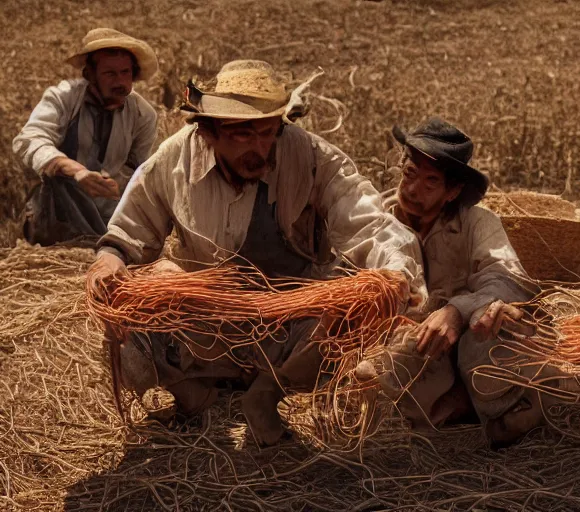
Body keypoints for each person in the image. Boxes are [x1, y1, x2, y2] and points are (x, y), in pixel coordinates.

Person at [84, 60, 429, 445]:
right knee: (125, 322)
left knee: (348, 320)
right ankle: (192, 393)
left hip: (292, 322)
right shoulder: (175, 159)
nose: (259, 147)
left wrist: (396, 273)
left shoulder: (312, 157)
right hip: (206, 319)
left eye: (268, 133)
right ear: (209, 131)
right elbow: (131, 229)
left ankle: (266, 393)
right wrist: (109, 261)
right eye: (243, 134)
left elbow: (371, 223)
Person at [355, 119, 565, 448]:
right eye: (410, 174)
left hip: (472, 344)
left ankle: (481, 404)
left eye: (430, 183)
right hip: (413, 349)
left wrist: (457, 310)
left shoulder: (478, 222)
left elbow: (508, 278)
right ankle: (445, 404)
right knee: (390, 357)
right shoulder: (376, 219)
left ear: (452, 191)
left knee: (500, 326)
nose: (412, 191)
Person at [13, 28, 159, 246]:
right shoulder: (64, 98)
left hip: (109, 212)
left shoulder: (142, 114)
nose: (120, 82)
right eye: (110, 74)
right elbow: (29, 140)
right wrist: (76, 171)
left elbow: (138, 167)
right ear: (90, 75)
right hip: (55, 211)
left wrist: (116, 184)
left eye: (125, 73)